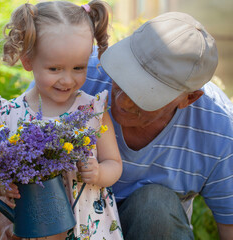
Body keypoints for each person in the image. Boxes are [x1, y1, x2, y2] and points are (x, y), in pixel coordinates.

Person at [78, 11, 233, 240]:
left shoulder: (219, 130)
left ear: (188, 98)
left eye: (144, 94)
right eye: (123, 77)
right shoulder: (75, 73)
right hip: (71, 220)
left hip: (153, 230)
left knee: (154, 206)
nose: (122, 101)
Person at [0, 1, 123, 240]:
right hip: (35, 229)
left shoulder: (92, 110)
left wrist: (100, 173)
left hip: (90, 229)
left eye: (79, 67)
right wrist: (2, 187)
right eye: (55, 69)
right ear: (28, 61)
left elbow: (114, 162)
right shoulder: (9, 114)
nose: (67, 80)